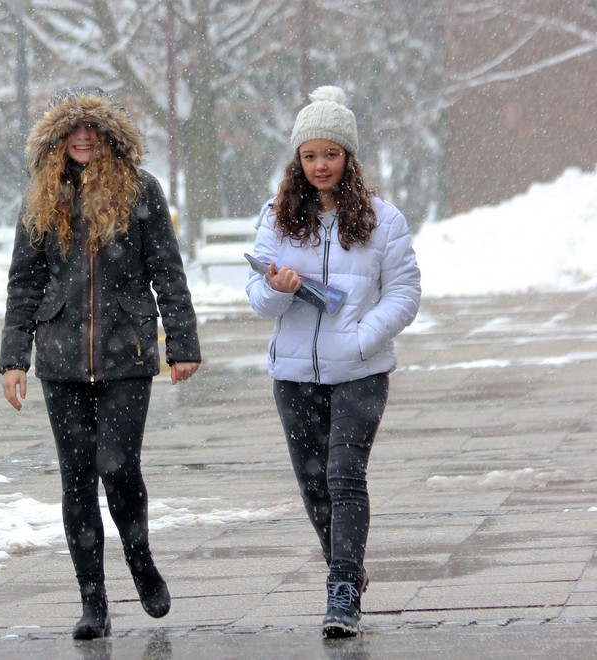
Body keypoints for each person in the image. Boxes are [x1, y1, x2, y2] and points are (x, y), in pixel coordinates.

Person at [0, 86, 202, 640]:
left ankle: (140, 560)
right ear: (57, 138)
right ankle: (93, 600)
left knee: (118, 468)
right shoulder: (41, 196)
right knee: (76, 480)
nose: (83, 137)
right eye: (73, 129)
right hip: (60, 358)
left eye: (93, 128)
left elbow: (168, 271)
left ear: (110, 136)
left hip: (126, 355)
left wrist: (182, 344)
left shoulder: (141, 189)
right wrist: (14, 358)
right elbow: (24, 283)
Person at [246, 86, 421, 638]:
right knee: (313, 483)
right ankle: (345, 566)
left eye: (331, 153)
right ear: (297, 161)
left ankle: (342, 587)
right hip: (293, 375)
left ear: (349, 157)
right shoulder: (276, 218)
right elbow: (257, 299)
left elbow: (405, 293)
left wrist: (362, 338)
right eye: (310, 155)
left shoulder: (383, 220)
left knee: (344, 475)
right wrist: (276, 289)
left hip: (360, 371)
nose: (320, 165)